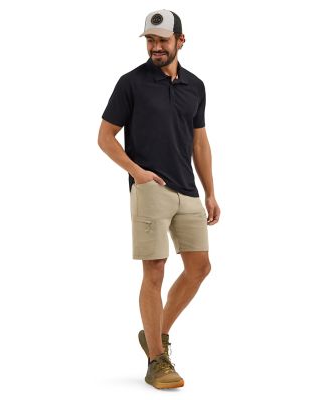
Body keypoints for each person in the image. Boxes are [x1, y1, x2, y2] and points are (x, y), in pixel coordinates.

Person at [98, 9, 221, 389]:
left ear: (180, 41)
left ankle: (156, 334)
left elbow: (199, 142)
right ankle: (157, 361)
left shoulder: (195, 86)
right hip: (150, 188)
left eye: (162, 40)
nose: (155, 47)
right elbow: (105, 137)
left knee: (200, 267)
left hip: (188, 190)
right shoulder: (131, 83)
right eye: (150, 40)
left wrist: (211, 191)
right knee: (155, 271)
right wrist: (138, 173)